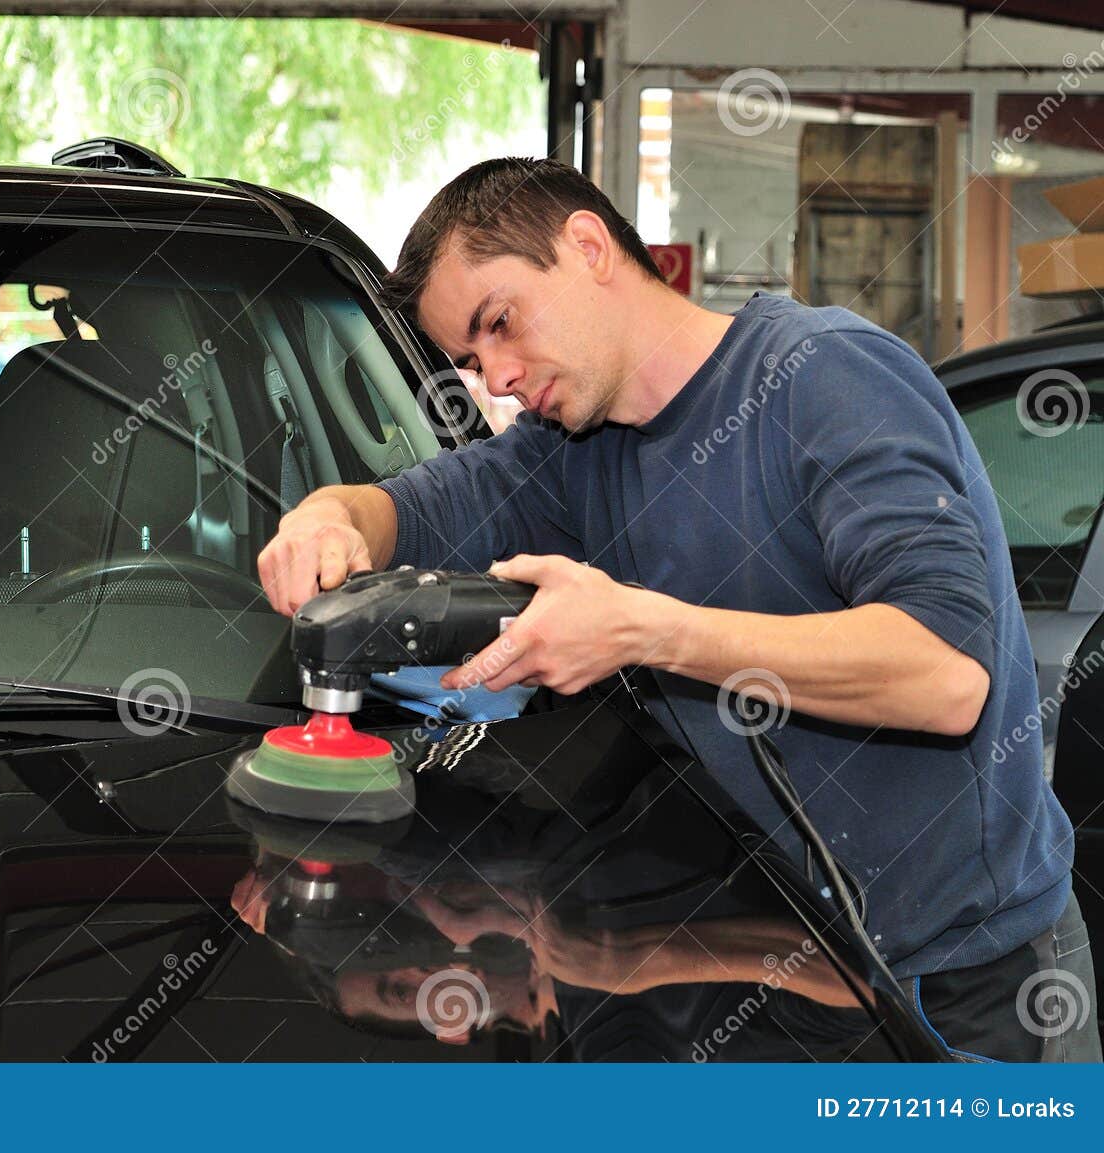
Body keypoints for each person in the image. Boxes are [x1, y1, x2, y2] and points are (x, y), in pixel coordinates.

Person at [255, 157, 1099, 1062]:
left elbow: (944, 674)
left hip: (963, 984)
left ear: (586, 247)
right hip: (780, 965)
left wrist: (644, 628)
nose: (495, 377)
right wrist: (332, 515)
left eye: (500, 324)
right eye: (469, 360)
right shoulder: (572, 448)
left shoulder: (824, 379)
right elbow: (419, 508)